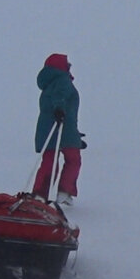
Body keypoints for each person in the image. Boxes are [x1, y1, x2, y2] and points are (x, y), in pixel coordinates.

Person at [32, 53, 84, 205]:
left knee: (49, 161)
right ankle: (64, 192)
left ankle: (40, 194)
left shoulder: (49, 84)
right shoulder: (63, 80)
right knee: (73, 160)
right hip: (63, 128)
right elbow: (60, 97)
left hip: (46, 129)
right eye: (67, 64)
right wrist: (59, 109)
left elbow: (55, 99)